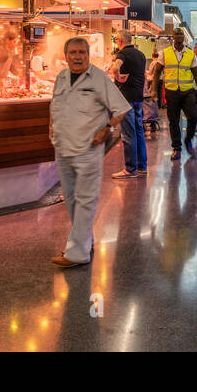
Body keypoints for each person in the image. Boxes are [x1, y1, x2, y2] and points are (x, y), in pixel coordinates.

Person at [48, 37, 132, 268]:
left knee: (85, 200)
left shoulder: (98, 78)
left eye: (82, 52)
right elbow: (54, 106)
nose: (77, 57)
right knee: (73, 200)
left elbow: (122, 108)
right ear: (66, 56)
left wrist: (107, 129)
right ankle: (85, 241)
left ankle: (77, 253)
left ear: (88, 55)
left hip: (88, 150)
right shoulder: (61, 77)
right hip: (63, 148)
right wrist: (51, 127)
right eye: (73, 52)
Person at [153, 29, 197, 160]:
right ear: (173, 37)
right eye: (177, 34)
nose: (179, 36)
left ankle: (188, 139)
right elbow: (157, 72)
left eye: (181, 34)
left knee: (194, 117)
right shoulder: (165, 53)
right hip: (171, 92)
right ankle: (177, 148)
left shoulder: (191, 54)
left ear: (184, 37)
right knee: (173, 121)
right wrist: (153, 90)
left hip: (187, 92)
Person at [110, 30, 149, 179]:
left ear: (120, 40)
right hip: (138, 97)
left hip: (125, 98)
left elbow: (115, 67)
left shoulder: (123, 54)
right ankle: (142, 167)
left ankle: (130, 169)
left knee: (128, 133)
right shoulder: (140, 54)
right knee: (138, 130)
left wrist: (118, 77)